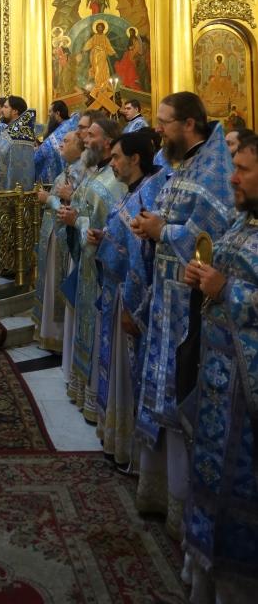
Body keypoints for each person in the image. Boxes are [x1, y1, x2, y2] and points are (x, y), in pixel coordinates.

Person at [130, 92, 235, 540]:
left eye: (164, 121)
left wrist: (162, 230)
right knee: (161, 394)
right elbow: (174, 222)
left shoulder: (213, 172)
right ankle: (161, 495)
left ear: (189, 124)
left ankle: (184, 505)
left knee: (179, 396)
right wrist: (151, 227)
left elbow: (212, 236)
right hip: (165, 300)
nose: (158, 129)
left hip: (189, 308)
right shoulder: (184, 165)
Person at [182, 130, 258, 603]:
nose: (232, 177)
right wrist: (202, 278)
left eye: (243, 170)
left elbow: (234, 289)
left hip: (247, 399)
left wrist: (225, 289)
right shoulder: (243, 222)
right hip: (218, 385)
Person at [93, 128, 166, 469]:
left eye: (117, 157)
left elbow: (141, 256)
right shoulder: (133, 191)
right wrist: (104, 236)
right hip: (116, 293)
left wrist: (132, 310)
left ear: (135, 159)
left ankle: (131, 450)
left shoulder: (147, 195)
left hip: (132, 300)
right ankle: (118, 441)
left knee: (129, 373)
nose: (112, 163)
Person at [58, 116, 125, 422]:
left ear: (108, 142)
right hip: (86, 263)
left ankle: (97, 398)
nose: (85, 139)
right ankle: (84, 389)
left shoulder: (114, 180)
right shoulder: (98, 171)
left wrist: (77, 221)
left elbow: (112, 229)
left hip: (101, 270)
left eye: (91, 135)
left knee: (97, 330)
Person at [34, 128, 83, 352]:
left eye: (66, 141)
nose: (60, 144)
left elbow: (73, 206)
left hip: (65, 237)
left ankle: (58, 337)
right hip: (55, 234)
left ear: (80, 147)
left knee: (58, 284)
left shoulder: (79, 173)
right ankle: (49, 334)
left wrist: (49, 199)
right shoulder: (68, 169)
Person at [0, 96, 36, 191]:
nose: (2, 110)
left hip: (12, 192)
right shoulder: (23, 130)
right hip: (24, 191)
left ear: (15, 111)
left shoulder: (14, 133)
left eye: (5, 107)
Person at [34, 101, 80, 185]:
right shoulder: (68, 125)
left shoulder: (65, 127)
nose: (48, 114)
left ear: (57, 113)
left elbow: (48, 148)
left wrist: (37, 151)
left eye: (50, 111)